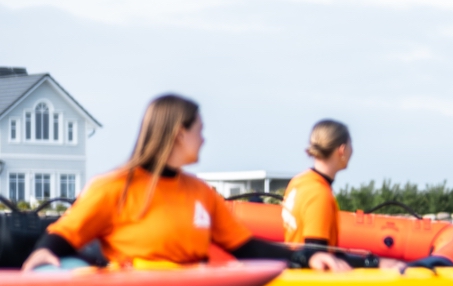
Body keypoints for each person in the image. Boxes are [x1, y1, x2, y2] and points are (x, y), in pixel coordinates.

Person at [21, 94, 348, 272]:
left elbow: (246, 248)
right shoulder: (113, 187)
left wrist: (305, 258)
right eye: (200, 130)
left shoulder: (200, 193)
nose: (204, 139)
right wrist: (41, 256)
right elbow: (64, 234)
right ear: (180, 134)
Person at [281, 119, 404, 269]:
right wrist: (375, 263)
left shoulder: (298, 181)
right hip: (309, 283)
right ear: (342, 150)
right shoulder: (319, 194)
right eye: (351, 145)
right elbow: (318, 257)